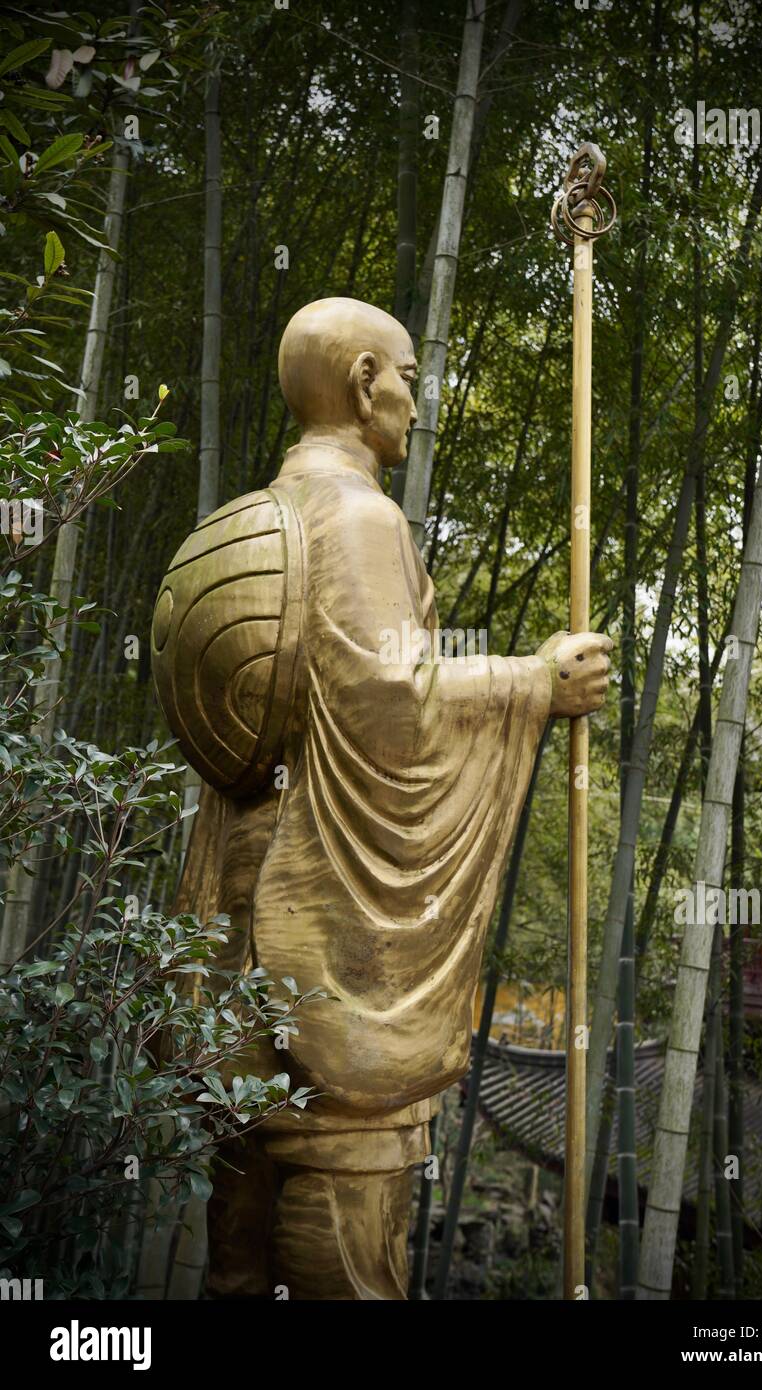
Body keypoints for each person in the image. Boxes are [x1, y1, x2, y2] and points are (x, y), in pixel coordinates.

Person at [161, 297, 613, 1298]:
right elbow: (389, 708)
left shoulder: (265, 511)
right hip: (319, 966)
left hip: (240, 945)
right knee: (344, 1254)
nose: (416, 399)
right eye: (407, 375)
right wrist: (537, 683)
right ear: (366, 380)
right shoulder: (358, 516)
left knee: (235, 1256)